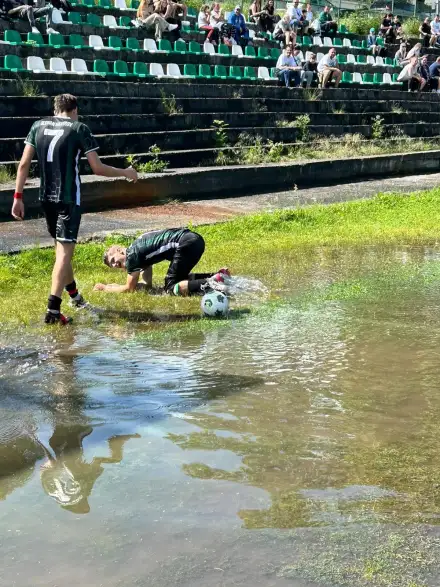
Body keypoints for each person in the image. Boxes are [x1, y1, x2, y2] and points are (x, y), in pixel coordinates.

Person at [11, 94, 138, 325]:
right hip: (68, 199)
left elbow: (23, 164)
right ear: (75, 110)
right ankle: (52, 310)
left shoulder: (37, 126)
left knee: (61, 250)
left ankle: (75, 296)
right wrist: (125, 173)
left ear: (55, 109)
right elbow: (97, 168)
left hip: (46, 198)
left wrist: (18, 197)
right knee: (63, 254)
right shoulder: (79, 128)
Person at [96, 228, 231, 296]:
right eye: (112, 265)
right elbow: (147, 279)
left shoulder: (132, 257)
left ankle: (211, 284)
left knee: (171, 288)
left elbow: (129, 288)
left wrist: (106, 288)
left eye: (113, 260)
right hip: (194, 239)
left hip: (185, 243)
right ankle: (218, 276)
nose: (115, 265)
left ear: (119, 250)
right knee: (180, 280)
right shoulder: (136, 247)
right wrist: (146, 285)